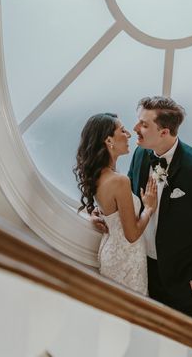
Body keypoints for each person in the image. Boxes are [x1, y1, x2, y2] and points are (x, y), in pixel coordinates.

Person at [91, 97, 192, 320]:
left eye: (144, 125)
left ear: (164, 132)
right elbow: (129, 200)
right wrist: (101, 213)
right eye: (138, 122)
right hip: (143, 270)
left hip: (182, 281)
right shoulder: (140, 153)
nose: (135, 129)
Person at [74, 112, 158, 295]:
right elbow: (132, 234)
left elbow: (110, 210)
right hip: (126, 261)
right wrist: (149, 208)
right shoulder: (119, 181)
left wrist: (95, 214)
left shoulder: (99, 176)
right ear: (109, 141)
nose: (128, 135)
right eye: (123, 130)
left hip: (112, 254)